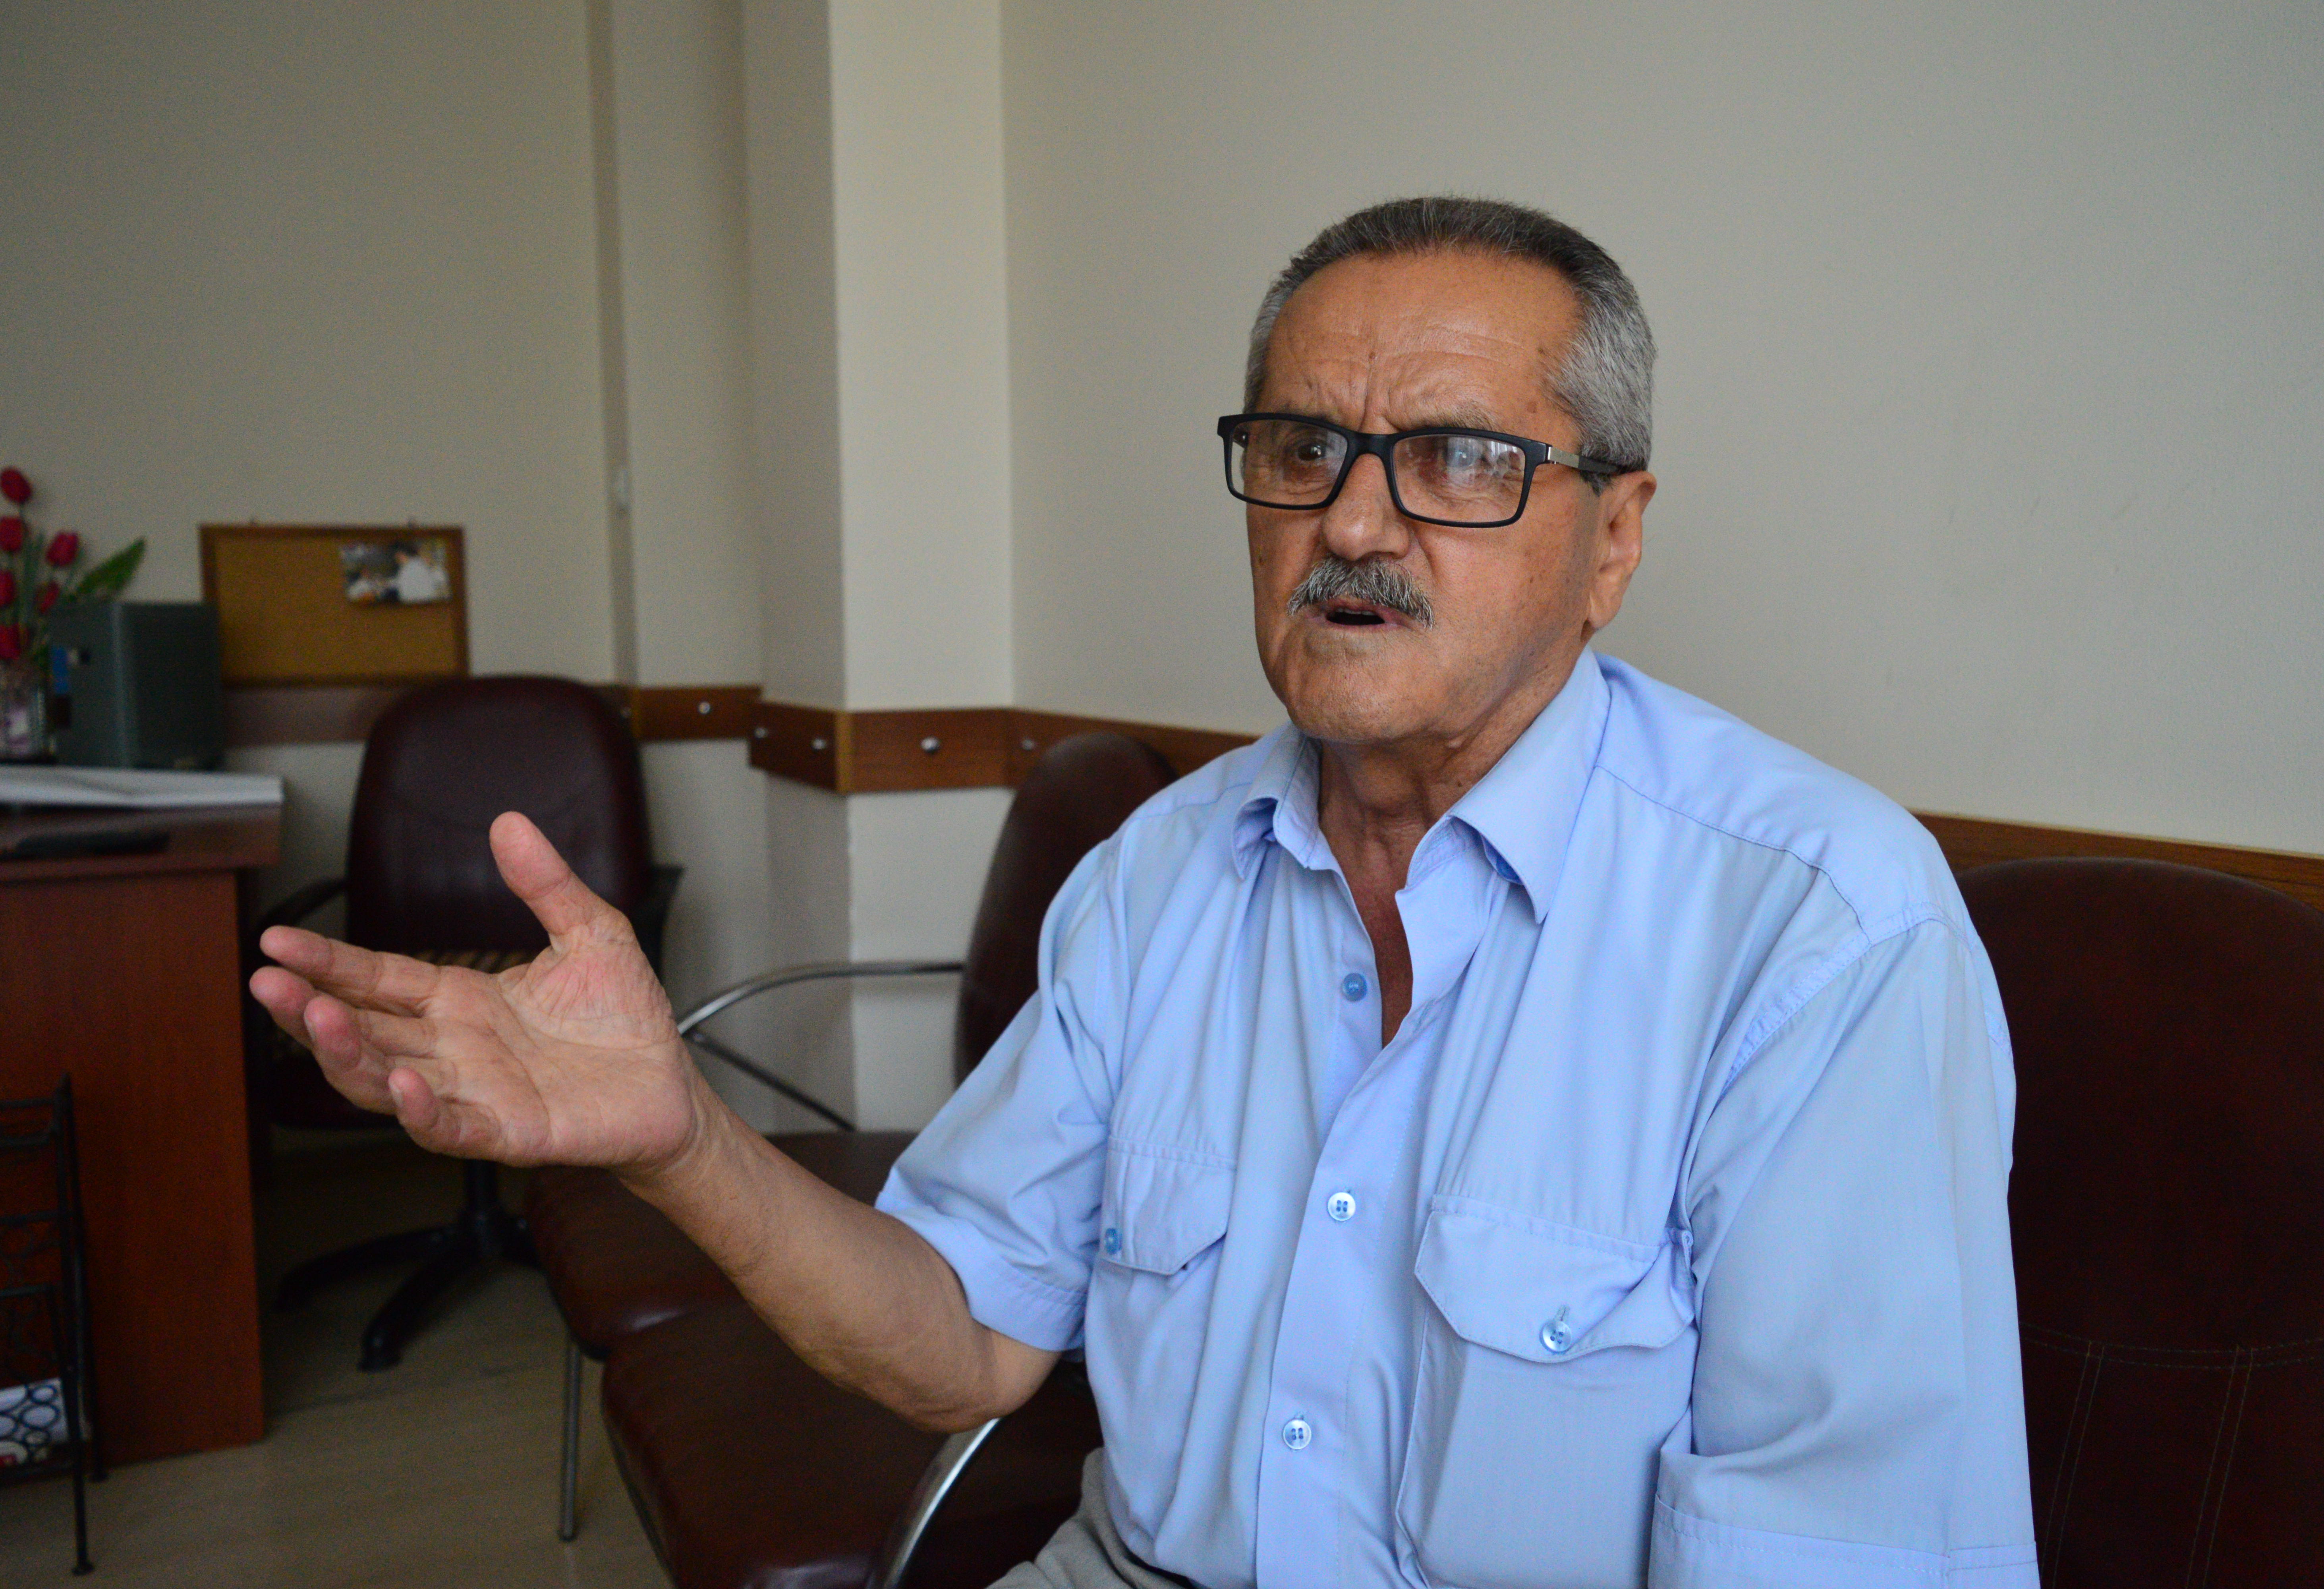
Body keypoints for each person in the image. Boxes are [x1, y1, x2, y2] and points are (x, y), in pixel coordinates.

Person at [253, 197, 2038, 1588]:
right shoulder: (1160, 874)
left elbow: (1845, 1548)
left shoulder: (1818, 933)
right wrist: (677, 1139)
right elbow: (965, 1338)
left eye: (1458, 461)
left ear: (1614, 539)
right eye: (1301, 450)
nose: (1353, 525)